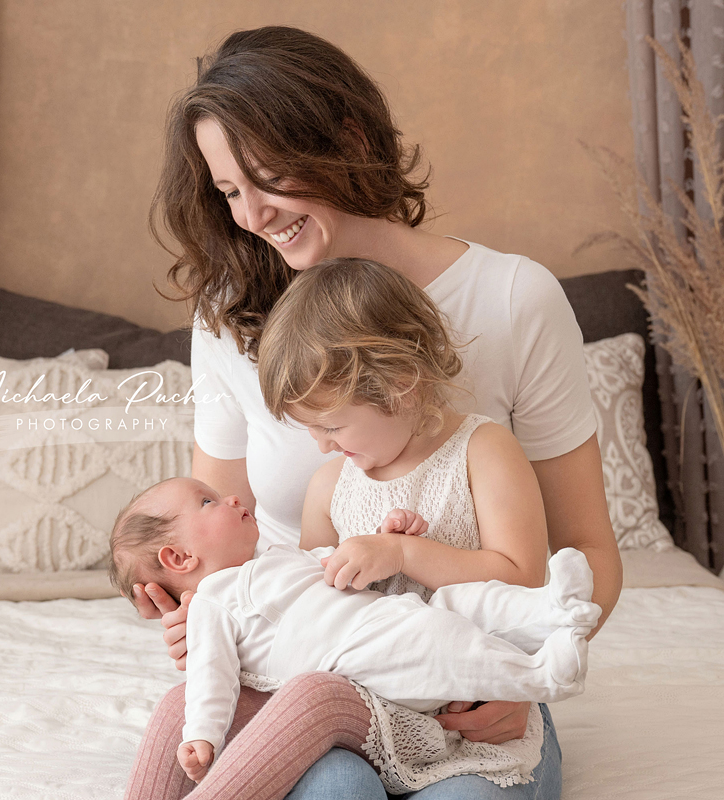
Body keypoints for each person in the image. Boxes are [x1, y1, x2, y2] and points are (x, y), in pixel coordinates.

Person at [127, 24, 623, 800]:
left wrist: (518, 680)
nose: (252, 214)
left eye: (266, 178)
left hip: (466, 681)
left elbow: (586, 545)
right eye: (229, 192)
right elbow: (223, 525)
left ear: (347, 141)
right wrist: (192, 608)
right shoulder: (228, 315)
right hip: (315, 674)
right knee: (332, 792)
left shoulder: (511, 299)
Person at [109, 477, 600, 795]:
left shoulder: (279, 558)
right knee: (442, 640)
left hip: (387, 632)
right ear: (178, 559)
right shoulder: (213, 601)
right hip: (370, 658)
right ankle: (541, 673)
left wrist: (388, 541)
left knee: (461, 608)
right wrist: (202, 736)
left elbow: (348, 566)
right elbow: (211, 678)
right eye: (208, 501)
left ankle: (552, 609)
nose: (234, 497)